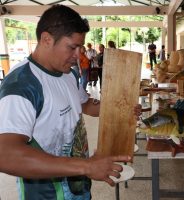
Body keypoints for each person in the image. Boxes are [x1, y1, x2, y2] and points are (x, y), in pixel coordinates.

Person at [0, 5, 141, 200]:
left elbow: (87, 106)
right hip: (46, 194)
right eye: (72, 47)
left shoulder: (69, 74)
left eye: (80, 47)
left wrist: (122, 108)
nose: (78, 55)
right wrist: (87, 166)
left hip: (79, 187)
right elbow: (6, 155)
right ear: (46, 39)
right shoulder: (23, 85)